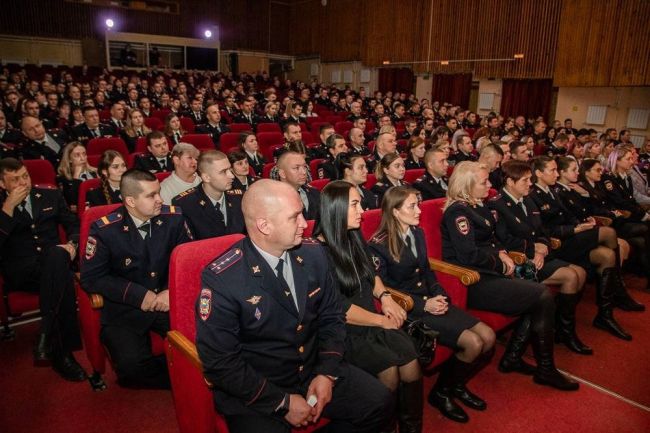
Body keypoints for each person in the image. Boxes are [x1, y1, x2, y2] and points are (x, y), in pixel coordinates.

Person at [195, 179, 393, 432]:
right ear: (264, 226)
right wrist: (281, 402)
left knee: (380, 403)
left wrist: (327, 373)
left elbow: (332, 317)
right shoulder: (223, 279)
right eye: (295, 217)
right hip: (260, 387)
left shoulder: (314, 253)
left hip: (313, 368)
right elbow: (221, 362)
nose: (304, 223)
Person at [442, 161, 578, 391]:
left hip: (488, 272)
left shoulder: (478, 205)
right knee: (541, 294)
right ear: (467, 185)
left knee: (534, 291)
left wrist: (503, 253)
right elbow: (468, 255)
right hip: (472, 280)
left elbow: (490, 240)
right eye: (484, 182)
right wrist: (500, 263)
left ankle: (514, 357)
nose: (489, 186)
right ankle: (544, 369)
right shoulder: (458, 212)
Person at [370, 186, 495, 423]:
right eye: (412, 206)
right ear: (395, 212)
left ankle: (454, 386)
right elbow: (384, 292)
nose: (419, 210)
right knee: (474, 342)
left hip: (431, 301)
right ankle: (441, 393)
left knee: (487, 337)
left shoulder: (416, 233)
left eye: (418, 204)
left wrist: (440, 296)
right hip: (411, 311)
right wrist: (423, 305)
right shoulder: (378, 244)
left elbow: (427, 271)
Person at [314, 181, 422, 432]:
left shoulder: (353, 235)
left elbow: (370, 273)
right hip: (344, 333)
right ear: (336, 208)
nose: (362, 210)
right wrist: (382, 321)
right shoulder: (316, 251)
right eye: (354, 204)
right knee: (389, 372)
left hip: (370, 319)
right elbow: (338, 309)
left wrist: (385, 296)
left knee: (411, 363)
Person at [81, 169, 192, 388]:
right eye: (151, 195)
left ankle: (190, 375)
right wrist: (139, 295)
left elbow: (188, 262)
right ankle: (181, 375)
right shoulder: (105, 230)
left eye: (159, 192)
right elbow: (92, 278)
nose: (160, 199)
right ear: (130, 200)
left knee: (205, 345)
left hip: (166, 300)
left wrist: (172, 290)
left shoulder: (174, 218)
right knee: (130, 370)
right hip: (125, 308)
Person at [488, 160, 592, 355]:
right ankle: (565, 333)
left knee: (580, 272)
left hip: (540, 254)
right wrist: (533, 250)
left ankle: (561, 328)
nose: (530, 183)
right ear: (510, 182)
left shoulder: (527, 199)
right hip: (521, 260)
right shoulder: (498, 205)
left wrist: (543, 243)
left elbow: (542, 229)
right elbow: (505, 240)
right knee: (571, 276)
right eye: (526, 180)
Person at [529, 156, 636, 340]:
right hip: (559, 244)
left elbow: (568, 214)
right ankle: (619, 290)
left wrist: (581, 223)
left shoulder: (552, 190)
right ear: (539, 173)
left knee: (607, 255)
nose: (556, 174)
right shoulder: (533, 195)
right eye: (552, 170)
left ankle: (605, 314)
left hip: (572, 237)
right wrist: (575, 228)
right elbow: (544, 230)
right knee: (609, 233)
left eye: (556, 170)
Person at [0, 158, 85, 381]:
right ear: (2, 184)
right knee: (62, 276)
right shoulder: (2, 205)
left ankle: (54, 345)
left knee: (57, 258)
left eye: (25, 176)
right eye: (14, 180)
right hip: (22, 271)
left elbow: (74, 225)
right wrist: (7, 208)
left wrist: (73, 245)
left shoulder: (50, 195)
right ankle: (59, 346)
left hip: (55, 261)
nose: (23, 183)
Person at [579, 158, 650, 291]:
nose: (601, 172)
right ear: (587, 172)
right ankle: (619, 286)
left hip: (615, 220)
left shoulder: (598, 184)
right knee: (645, 229)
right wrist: (612, 213)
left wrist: (613, 211)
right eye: (597, 170)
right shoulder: (583, 187)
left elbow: (610, 203)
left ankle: (635, 280)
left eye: (601, 169)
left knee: (641, 241)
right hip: (607, 225)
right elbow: (593, 209)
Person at [172, 150, 245, 239]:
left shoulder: (239, 198)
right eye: (223, 171)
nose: (232, 176)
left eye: (230, 170)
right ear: (206, 177)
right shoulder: (185, 204)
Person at [277, 151, 320, 220]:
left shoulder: (314, 193)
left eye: (304, 167)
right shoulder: (274, 200)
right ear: (282, 173)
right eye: (296, 168)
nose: (304, 172)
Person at [56, 142, 98, 212]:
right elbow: (72, 202)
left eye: (84, 154)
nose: (82, 158)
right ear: (69, 159)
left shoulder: (96, 172)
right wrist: (76, 176)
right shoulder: (63, 179)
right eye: (77, 155)